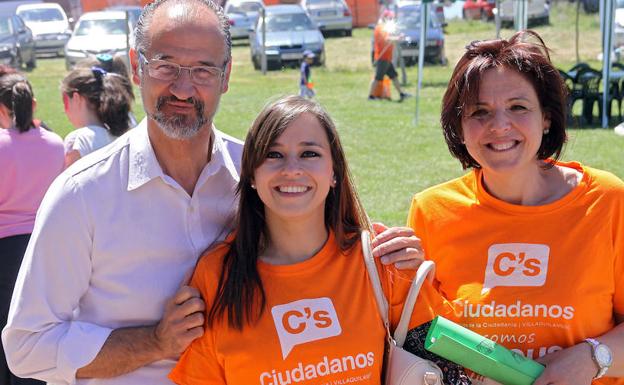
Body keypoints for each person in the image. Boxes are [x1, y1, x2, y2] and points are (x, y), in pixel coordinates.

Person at [2, 1, 427, 384]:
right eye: (165, 65)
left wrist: (391, 255)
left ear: (226, 77)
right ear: (136, 67)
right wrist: (152, 342)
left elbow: (332, 259)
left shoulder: (262, 174)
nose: (183, 88)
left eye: (203, 69)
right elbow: (26, 348)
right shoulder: (82, 195)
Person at [168, 95, 458, 385]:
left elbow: (454, 365)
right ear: (252, 175)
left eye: (309, 154)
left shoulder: (382, 261)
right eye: (273, 154)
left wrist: (418, 275)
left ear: (334, 172)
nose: (291, 169)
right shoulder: (215, 276)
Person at [407, 30, 624, 385]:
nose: (500, 126)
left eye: (518, 107)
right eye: (480, 112)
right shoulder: (431, 211)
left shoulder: (607, 200)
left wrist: (592, 358)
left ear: (547, 118)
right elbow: (423, 336)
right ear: (459, 128)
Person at [0, 68, 64, 385]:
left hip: (4, 249)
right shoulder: (56, 143)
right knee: (35, 328)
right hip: (43, 246)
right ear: (33, 104)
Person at [61, 65, 135, 167]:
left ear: (76, 98)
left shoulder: (77, 141)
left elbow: (69, 181)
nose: (64, 111)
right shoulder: (121, 136)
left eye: (65, 101)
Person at [367, 10, 410, 102]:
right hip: (382, 58)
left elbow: (389, 36)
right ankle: (370, 96)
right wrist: (398, 38)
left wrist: (397, 36)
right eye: (390, 18)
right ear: (385, 18)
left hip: (387, 58)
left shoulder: (384, 27)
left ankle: (402, 94)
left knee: (394, 76)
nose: (391, 19)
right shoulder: (380, 28)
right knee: (378, 78)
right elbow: (387, 39)